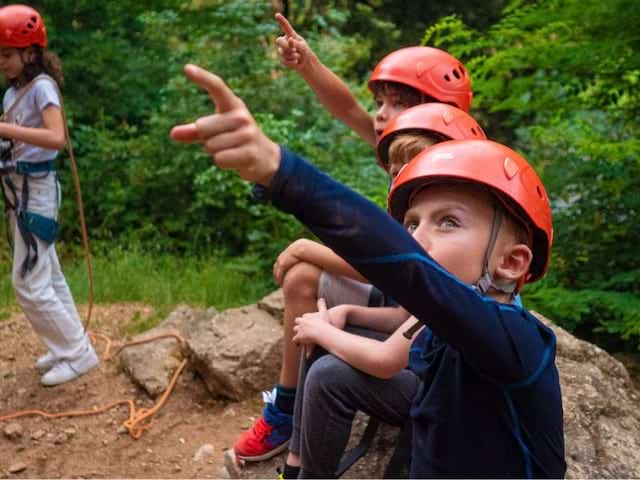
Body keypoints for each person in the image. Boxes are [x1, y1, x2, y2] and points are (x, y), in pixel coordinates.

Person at [170, 64, 566, 478]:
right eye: (411, 223)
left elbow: (408, 271)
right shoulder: (437, 334)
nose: (416, 237)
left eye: (449, 221)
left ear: (512, 262)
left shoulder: (517, 340)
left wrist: (280, 172)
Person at [232, 14, 479, 460]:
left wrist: (313, 247)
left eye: (396, 103)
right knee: (303, 279)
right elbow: (347, 108)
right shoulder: (403, 152)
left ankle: (294, 421)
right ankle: (288, 410)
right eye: (381, 102)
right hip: (401, 303)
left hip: (415, 308)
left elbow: (407, 267)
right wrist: (307, 63)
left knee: (306, 268)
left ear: (438, 114)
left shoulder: (452, 179)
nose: (380, 115)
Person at [0, 4, 98, 386]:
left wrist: (7, 132)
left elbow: (56, 137)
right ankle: (67, 347)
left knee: (28, 282)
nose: (3, 63)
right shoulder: (13, 94)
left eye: (7, 55)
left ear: (30, 51)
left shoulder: (42, 87)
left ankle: (78, 354)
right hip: (18, 190)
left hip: (37, 191)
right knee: (49, 274)